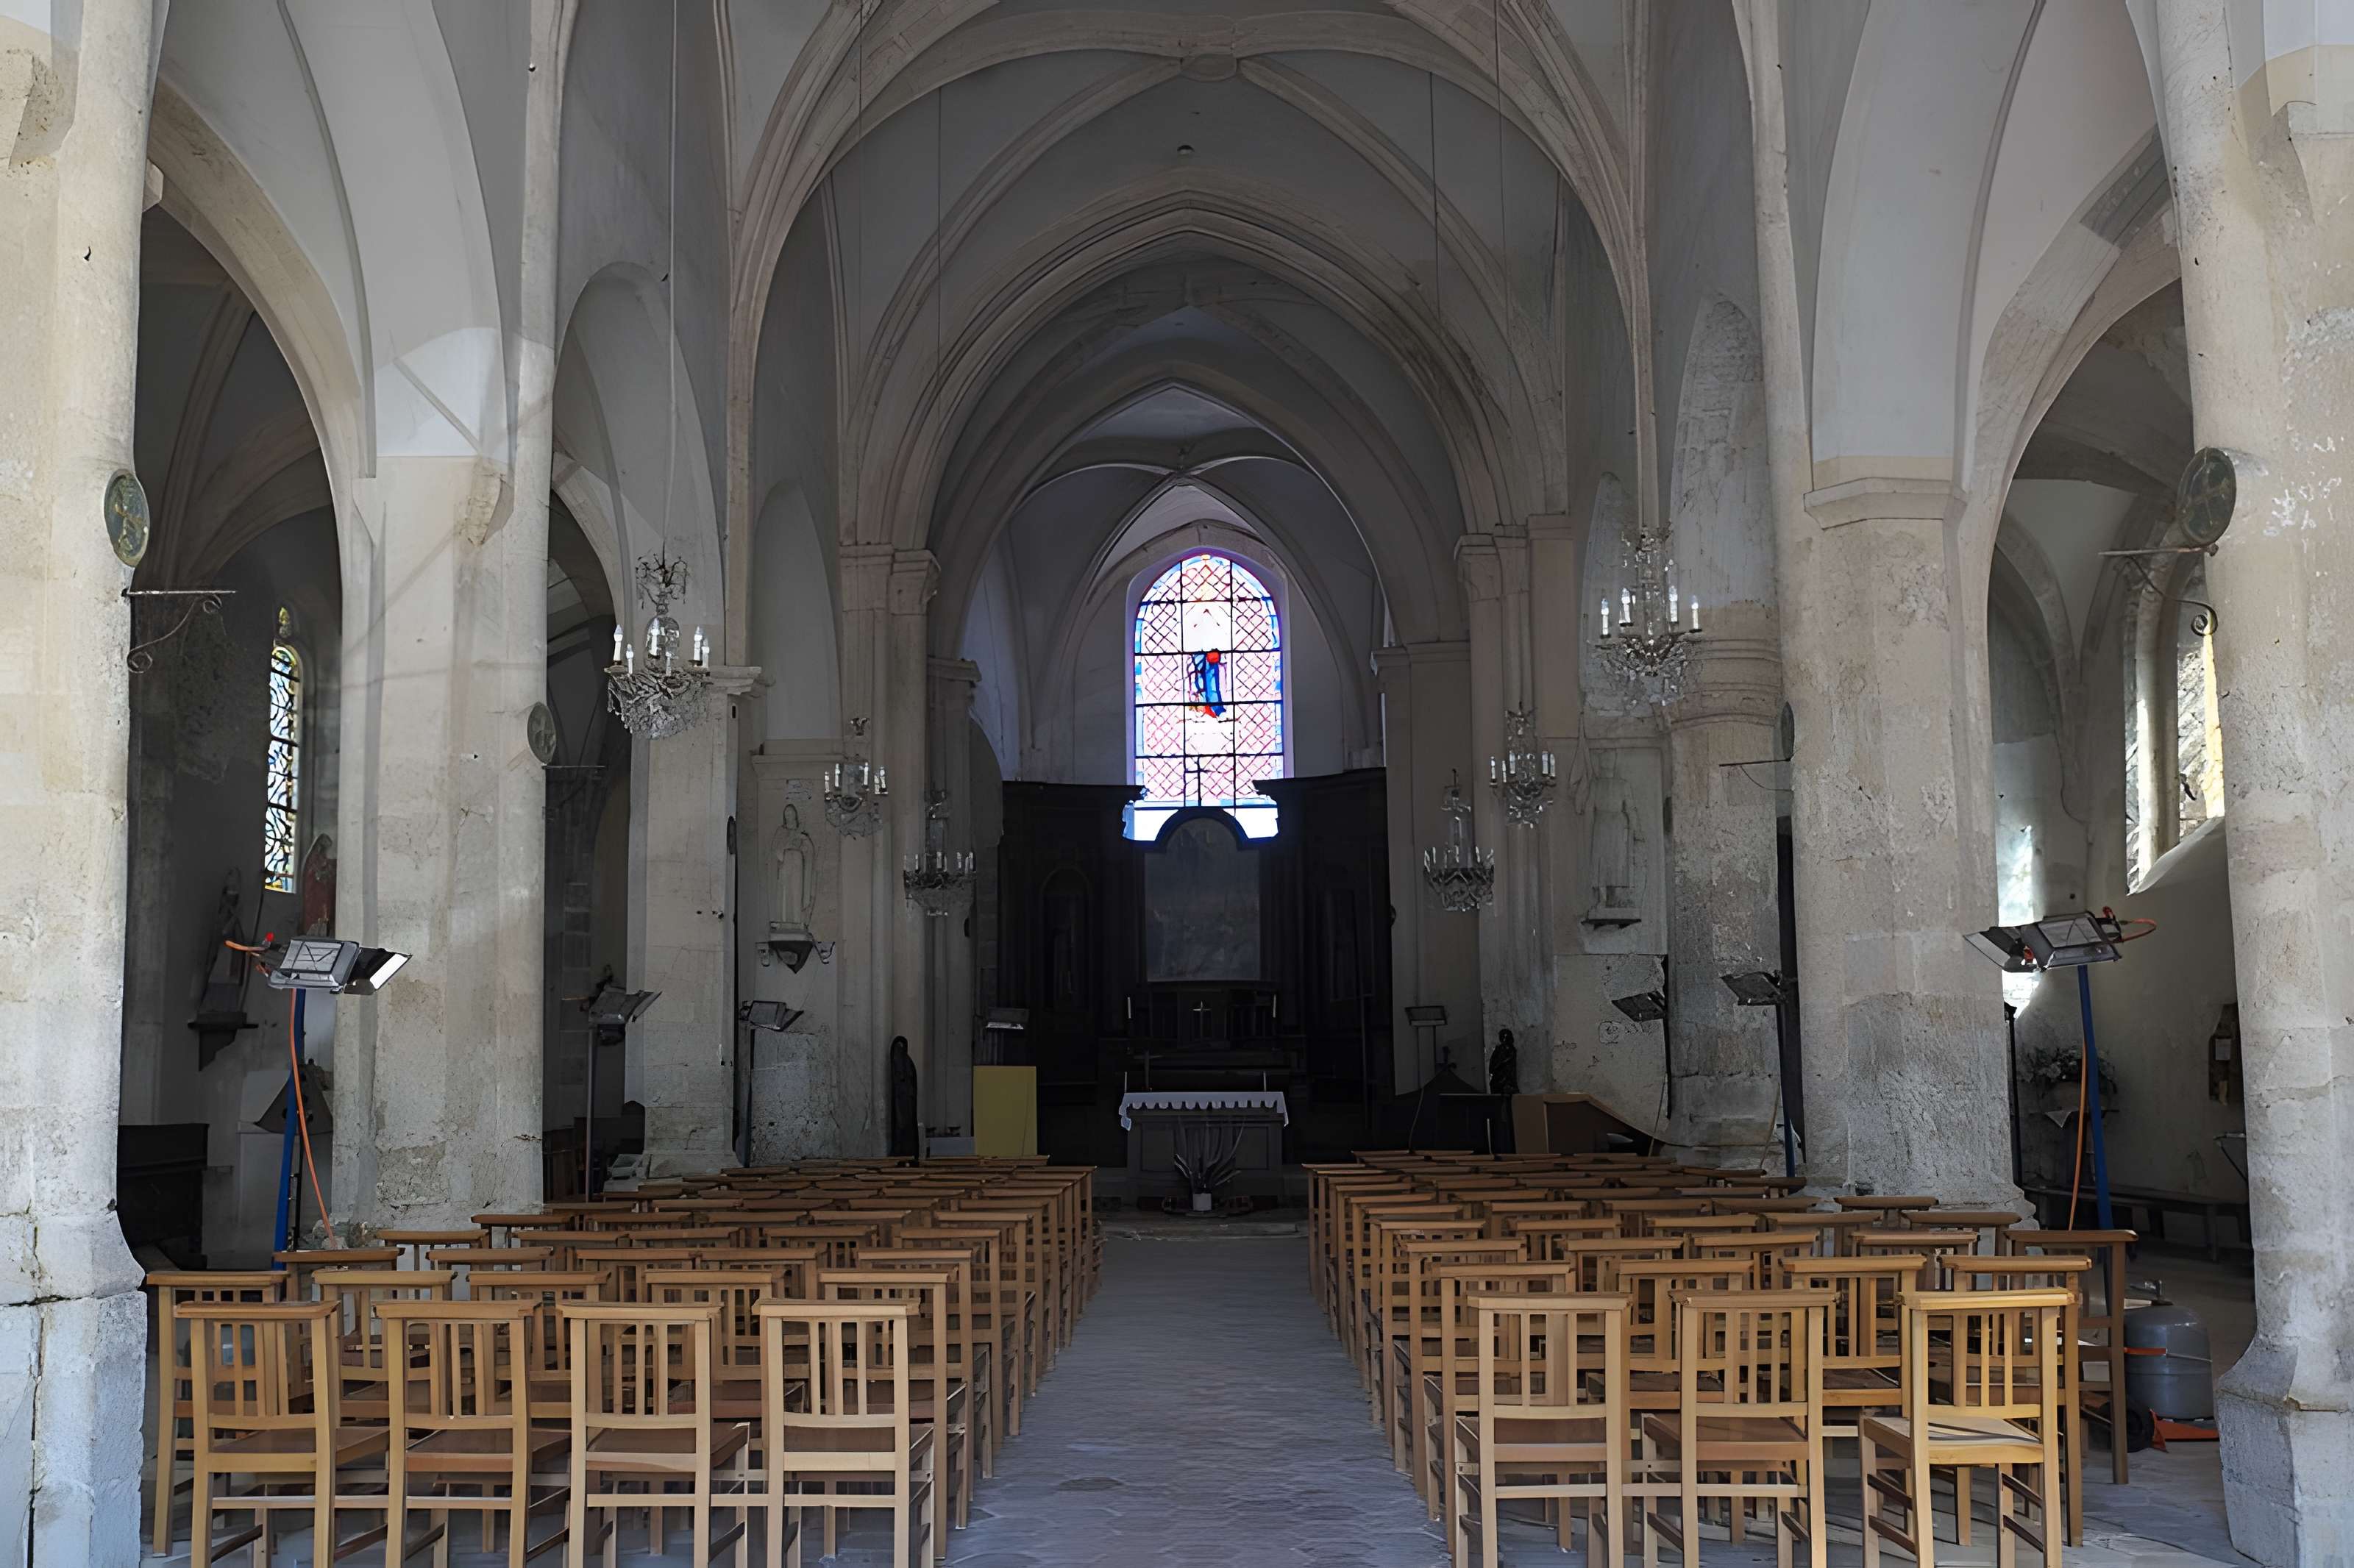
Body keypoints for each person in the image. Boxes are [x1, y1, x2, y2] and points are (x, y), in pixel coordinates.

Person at [889, 1036, 920, 1160]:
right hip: (902, 1097)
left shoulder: (907, 1061)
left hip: (906, 1098)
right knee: (902, 1124)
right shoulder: (901, 1059)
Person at [1487, 1027, 1519, 1097]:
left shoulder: (1511, 1050)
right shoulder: (1499, 1050)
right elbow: (1493, 1065)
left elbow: (1506, 1063)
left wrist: (1499, 1064)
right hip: (1499, 1081)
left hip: (1506, 1082)